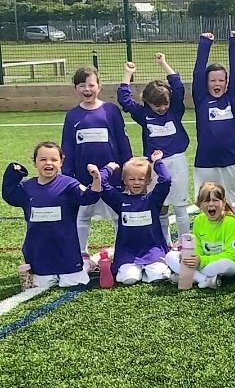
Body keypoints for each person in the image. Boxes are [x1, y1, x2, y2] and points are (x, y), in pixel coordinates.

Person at [3, 142, 100, 288]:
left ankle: (86, 264)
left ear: (61, 162)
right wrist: (14, 172)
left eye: (54, 160)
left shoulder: (69, 184)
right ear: (34, 162)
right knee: (43, 284)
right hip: (39, 252)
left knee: (73, 282)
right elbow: (9, 194)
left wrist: (96, 179)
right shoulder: (26, 187)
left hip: (66, 251)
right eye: (42, 159)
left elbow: (89, 197)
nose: (48, 163)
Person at [117, 55, 192, 244]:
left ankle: (185, 243)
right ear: (147, 102)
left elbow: (178, 86)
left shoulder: (175, 110)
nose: (161, 108)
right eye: (156, 105)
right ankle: (164, 243)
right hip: (155, 165)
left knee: (180, 206)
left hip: (177, 162)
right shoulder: (143, 115)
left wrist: (163, 64)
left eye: (165, 104)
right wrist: (128, 73)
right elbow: (124, 99)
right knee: (160, 207)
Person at [62, 65, 131, 261]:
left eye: (91, 85)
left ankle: (122, 252)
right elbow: (67, 148)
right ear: (75, 89)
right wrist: (68, 178)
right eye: (82, 85)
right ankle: (81, 253)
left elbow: (122, 141)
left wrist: (126, 169)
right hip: (84, 180)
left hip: (112, 177)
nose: (87, 89)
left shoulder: (111, 111)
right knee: (82, 216)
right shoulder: (72, 116)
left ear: (99, 87)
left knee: (118, 216)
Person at [99, 152, 173, 285]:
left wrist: (157, 161)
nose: (137, 182)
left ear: (149, 181)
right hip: (128, 251)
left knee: (158, 277)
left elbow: (166, 179)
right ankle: (135, 270)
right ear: (125, 181)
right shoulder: (119, 200)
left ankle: (148, 269)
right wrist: (109, 168)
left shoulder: (153, 199)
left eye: (141, 178)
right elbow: (101, 184)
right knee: (129, 279)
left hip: (152, 249)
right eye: (132, 179)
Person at [192, 31, 235, 211]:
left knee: (230, 201)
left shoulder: (231, 97)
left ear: (226, 82)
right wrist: (205, 43)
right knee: (207, 201)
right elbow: (198, 72)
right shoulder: (201, 99)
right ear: (206, 83)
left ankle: (234, 233)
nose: (217, 83)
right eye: (212, 80)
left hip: (231, 158)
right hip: (206, 161)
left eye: (221, 80)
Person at [164, 181, 235, 289]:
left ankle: (189, 276)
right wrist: (193, 258)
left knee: (223, 264)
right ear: (199, 205)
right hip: (205, 263)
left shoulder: (230, 223)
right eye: (206, 201)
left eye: (215, 200)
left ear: (224, 202)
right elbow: (199, 247)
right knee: (170, 256)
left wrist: (201, 261)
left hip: (233, 264)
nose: (211, 204)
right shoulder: (199, 220)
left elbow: (231, 255)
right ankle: (204, 280)